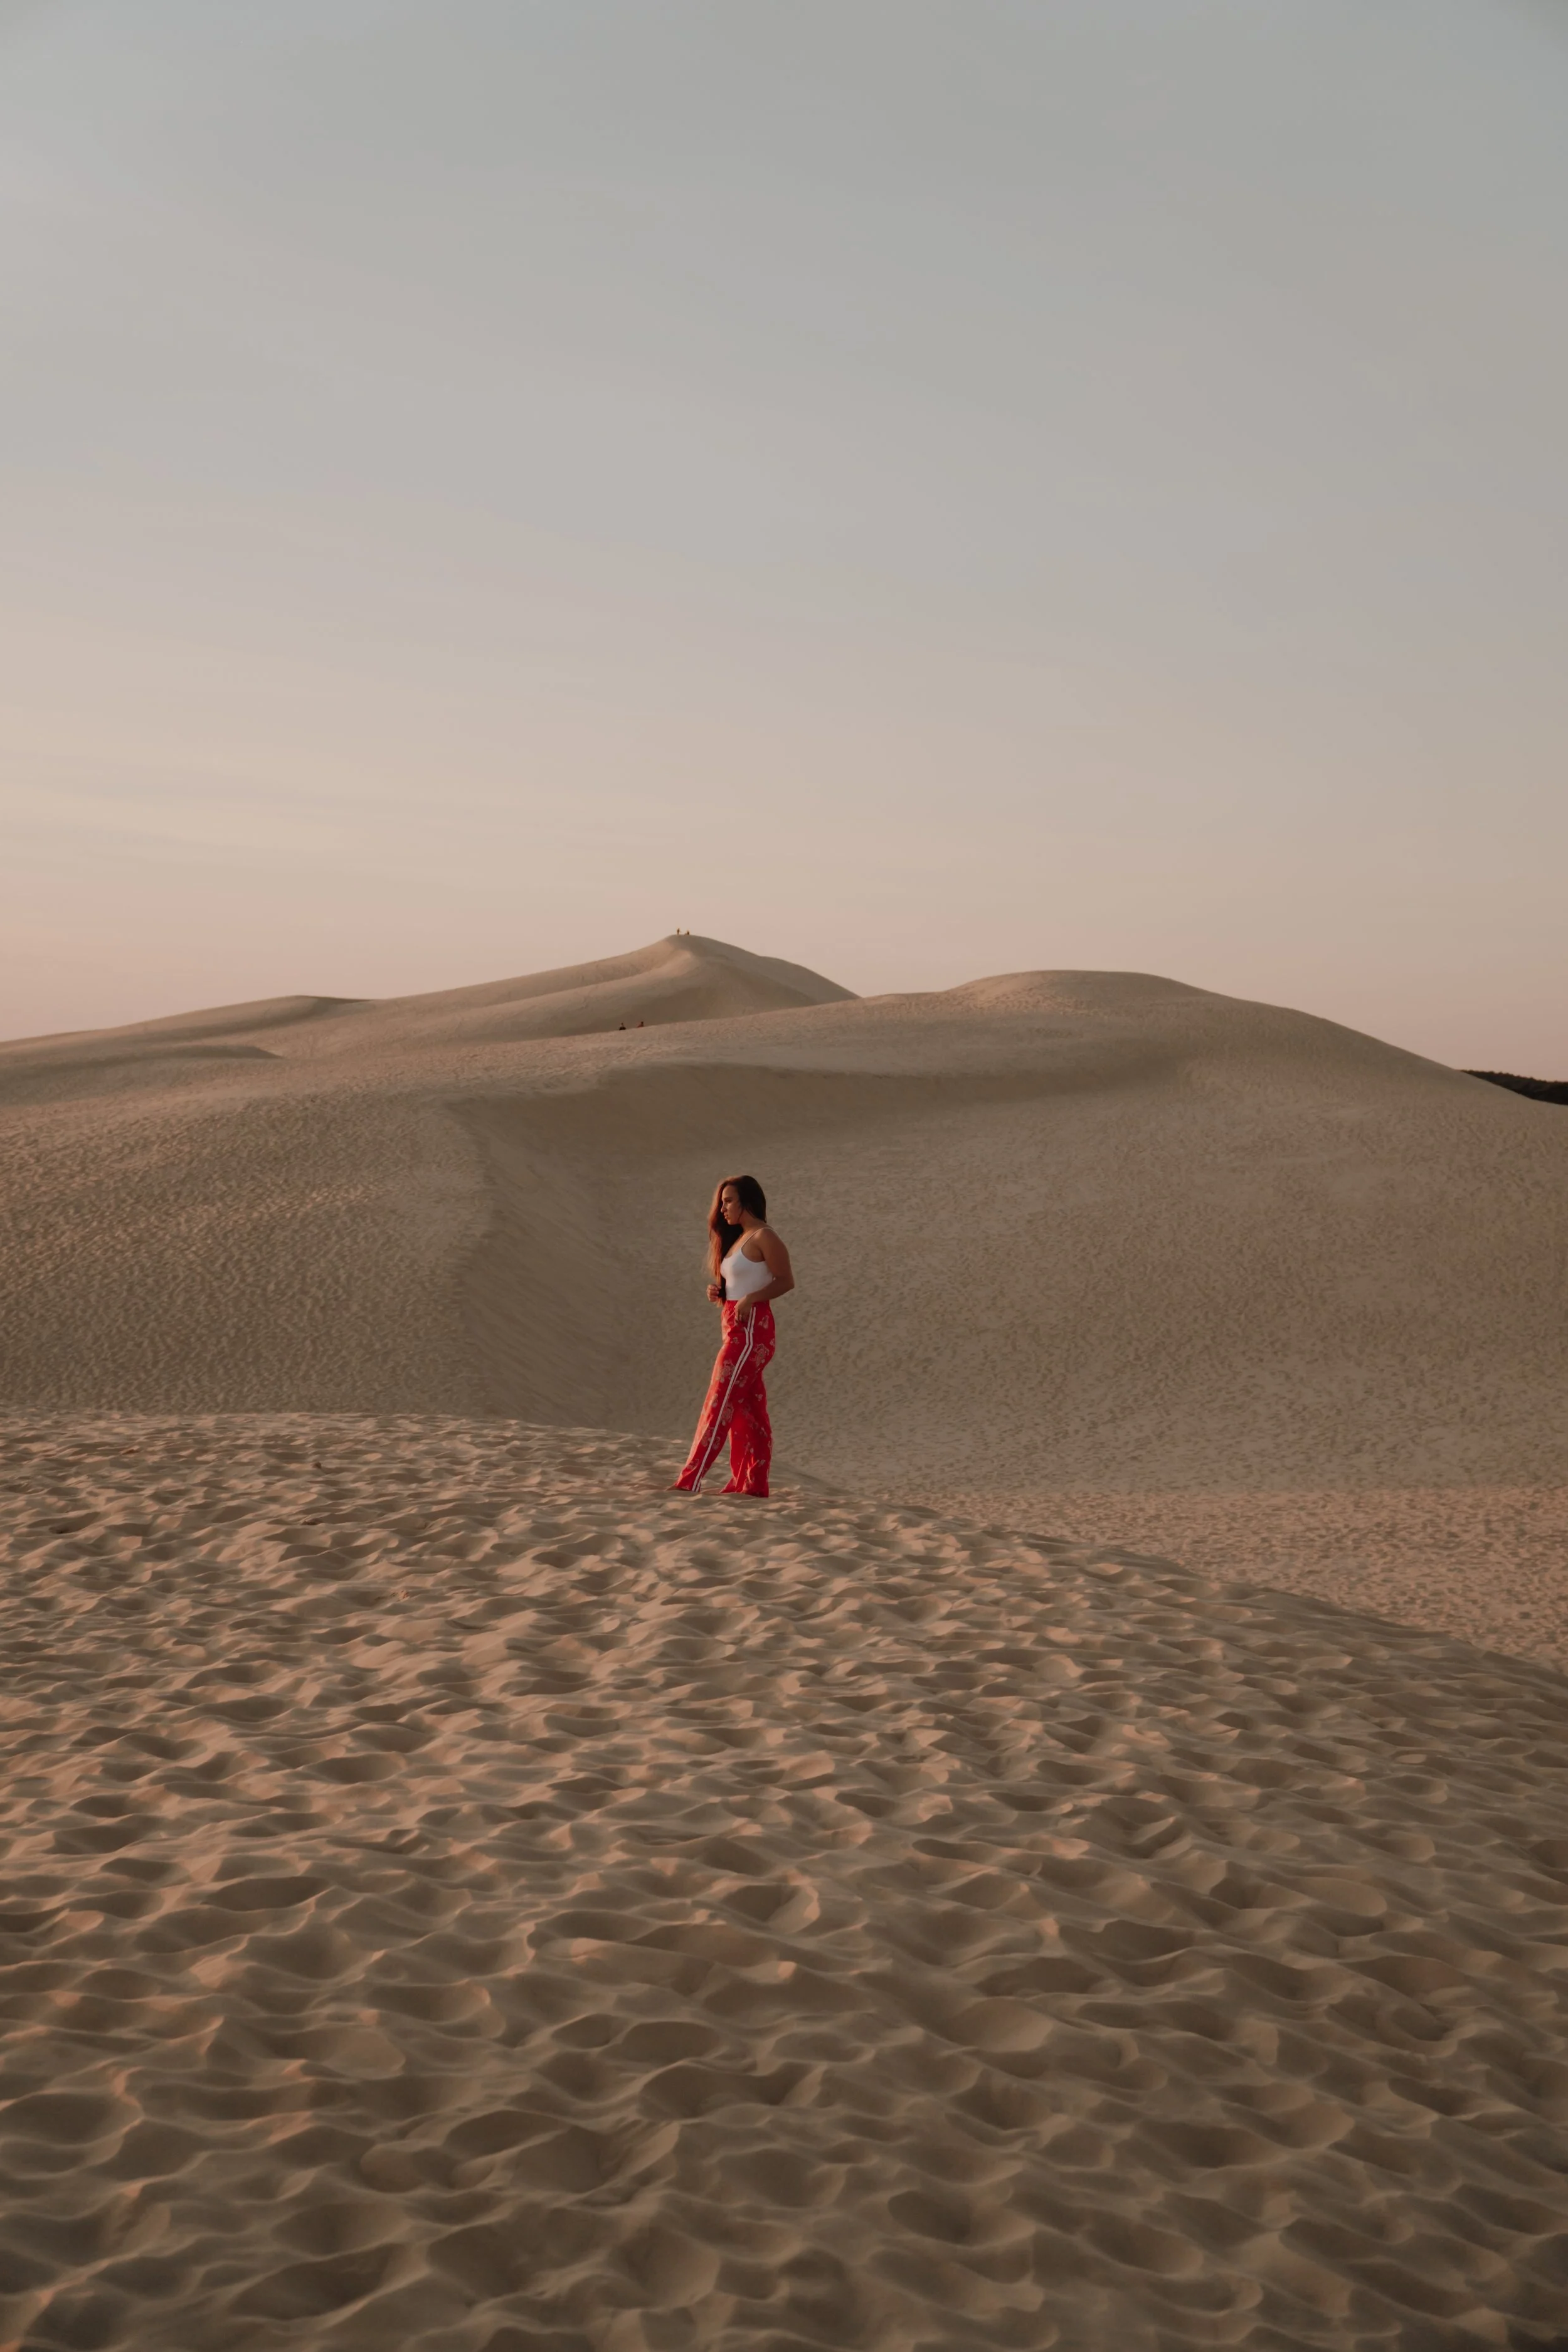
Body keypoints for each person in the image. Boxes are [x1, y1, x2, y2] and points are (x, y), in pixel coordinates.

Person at [671, 1174, 794, 1496]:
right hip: (734, 1329)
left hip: (752, 1333)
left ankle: (689, 1481)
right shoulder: (739, 1238)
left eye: (728, 1201)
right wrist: (720, 1292)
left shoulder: (765, 1236)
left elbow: (786, 1280)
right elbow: (739, 1283)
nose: (722, 1208)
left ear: (746, 1202)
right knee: (748, 1411)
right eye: (722, 1202)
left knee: (719, 1402)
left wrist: (752, 1298)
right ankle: (753, 1485)